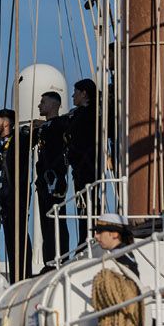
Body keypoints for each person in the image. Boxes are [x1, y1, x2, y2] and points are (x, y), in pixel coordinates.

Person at [0, 107, 30, 280]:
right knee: (9, 241)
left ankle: (23, 276)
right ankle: (15, 278)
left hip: (16, 197)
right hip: (3, 200)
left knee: (19, 238)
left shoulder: (18, 140)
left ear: (6, 123)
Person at [34, 90, 71, 270]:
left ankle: (61, 258)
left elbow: (68, 121)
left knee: (57, 220)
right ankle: (49, 260)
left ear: (54, 104)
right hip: (43, 180)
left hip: (54, 179)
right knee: (45, 223)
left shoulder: (61, 124)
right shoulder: (45, 127)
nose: (39, 105)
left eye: (43, 102)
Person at [68, 78, 101, 221]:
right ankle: (85, 234)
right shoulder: (78, 113)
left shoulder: (92, 113)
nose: (72, 96)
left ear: (83, 93)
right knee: (82, 203)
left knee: (89, 201)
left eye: (75, 92)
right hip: (79, 166)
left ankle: (90, 232)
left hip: (88, 164)